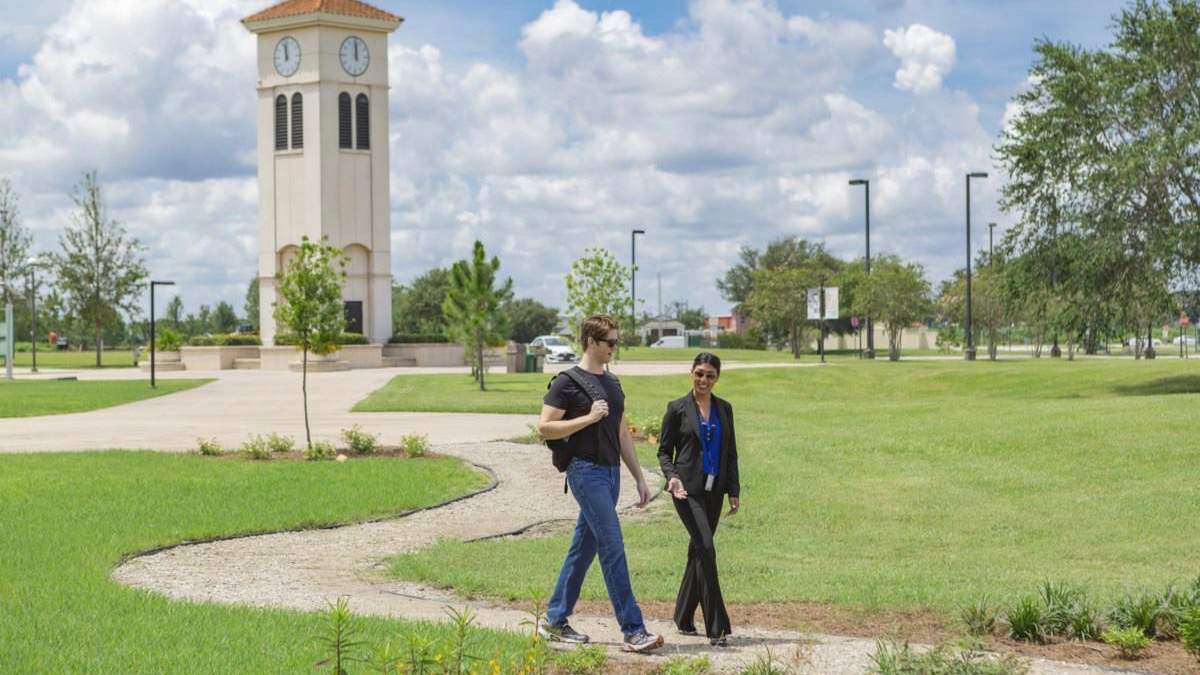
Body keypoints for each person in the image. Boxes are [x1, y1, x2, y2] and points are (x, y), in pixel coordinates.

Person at [537, 314, 663, 653]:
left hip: (610, 475)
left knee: (584, 549)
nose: (614, 348)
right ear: (591, 342)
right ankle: (634, 630)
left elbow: (621, 432)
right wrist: (588, 418)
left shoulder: (613, 383)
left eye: (616, 342)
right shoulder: (566, 383)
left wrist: (639, 477)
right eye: (610, 342)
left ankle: (554, 619)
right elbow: (545, 428)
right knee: (612, 546)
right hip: (584, 472)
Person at [657, 352, 740, 646]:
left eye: (710, 375)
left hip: (715, 491)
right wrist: (672, 477)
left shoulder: (725, 409)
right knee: (706, 547)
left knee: (697, 552)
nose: (704, 380)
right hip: (686, 490)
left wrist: (734, 490)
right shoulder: (677, 408)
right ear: (691, 372)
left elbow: (730, 452)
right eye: (700, 373)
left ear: (717, 378)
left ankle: (682, 616)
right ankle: (717, 627)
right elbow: (664, 452)